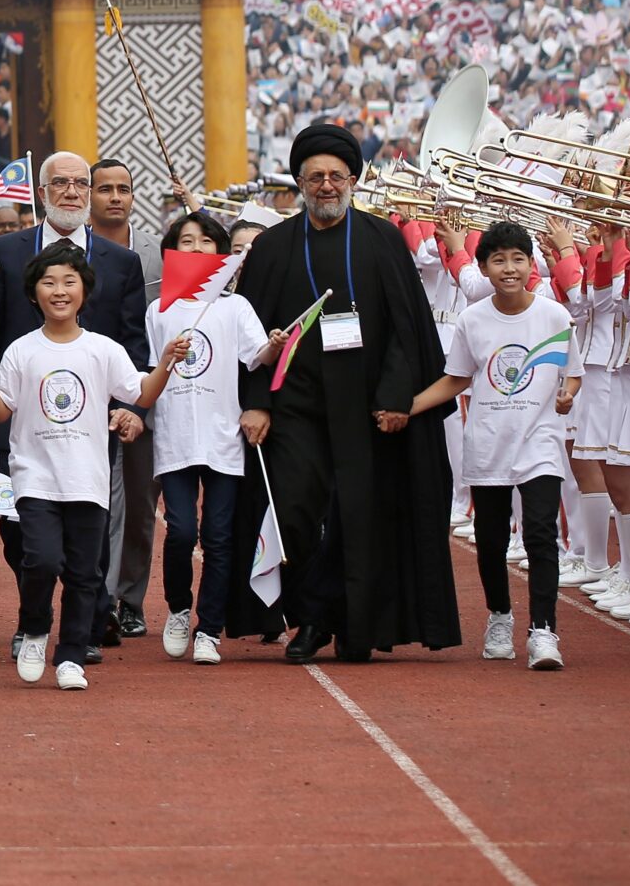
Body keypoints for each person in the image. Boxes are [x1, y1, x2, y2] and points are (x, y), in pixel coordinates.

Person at [227, 121, 458, 663]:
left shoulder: (380, 239)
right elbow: (251, 332)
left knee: (362, 515)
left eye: (336, 176)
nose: (327, 185)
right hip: (295, 411)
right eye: (315, 177)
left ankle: (351, 623)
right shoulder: (274, 247)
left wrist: (398, 398)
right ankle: (311, 616)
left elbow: (407, 329)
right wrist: (256, 400)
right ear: (299, 183)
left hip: (368, 407)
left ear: (352, 179)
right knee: (297, 512)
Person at [0, 150, 149, 660]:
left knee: (90, 527)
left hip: (91, 420)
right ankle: (37, 618)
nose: (72, 192)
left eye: (81, 183)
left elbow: (134, 347)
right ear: (41, 193)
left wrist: (135, 409)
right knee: (20, 529)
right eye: (61, 183)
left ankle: (87, 626)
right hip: (16, 414)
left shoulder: (123, 263)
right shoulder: (4, 252)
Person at [405, 221, 576, 672]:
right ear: (483, 268)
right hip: (488, 444)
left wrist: (568, 393)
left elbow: (571, 370)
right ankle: (500, 615)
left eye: (518, 259)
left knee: (541, 534)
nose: (509, 268)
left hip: (539, 442)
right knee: (491, 539)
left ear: (531, 264)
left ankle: (543, 630)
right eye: (498, 260)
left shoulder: (554, 316)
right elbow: (457, 378)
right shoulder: (472, 319)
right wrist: (408, 407)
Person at [144, 212, 273, 665]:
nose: (196, 247)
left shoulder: (234, 307)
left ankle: (209, 628)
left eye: (205, 241)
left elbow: (258, 357)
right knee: (180, 531)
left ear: (220, 252)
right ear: (171, 251)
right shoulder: (158, 309)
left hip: (222, 438)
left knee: (219, 536)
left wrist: (277, 343)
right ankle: (179, 607)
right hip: (175, 437)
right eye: (186, 240)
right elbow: (148, 371)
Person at [87, 158, 160, 641]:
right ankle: (90, 597)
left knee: (137, 502)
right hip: (75, 392)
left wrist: (136, 403)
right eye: (105, 188)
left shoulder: (159, 256)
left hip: (141, 395)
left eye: (124, 189)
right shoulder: (68, 251)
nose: (115, 196)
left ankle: (128, 599)